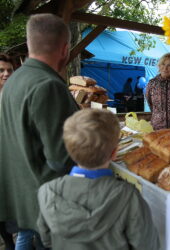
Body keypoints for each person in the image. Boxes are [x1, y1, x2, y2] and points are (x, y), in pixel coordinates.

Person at [0, 13, 79, 249]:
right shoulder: (48, 85)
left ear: (29, 43)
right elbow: (60, 159)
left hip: (19, 199)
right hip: (44, 206)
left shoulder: (14, 80)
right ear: (64, 49)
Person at [37, 109, 160, 250]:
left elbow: (46, 239)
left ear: (69, 150)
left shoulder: (47, 191)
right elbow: (147, 244)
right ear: (114, 153)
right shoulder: (128, 197)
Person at [0, 53, 15, 250]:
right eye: (1, 70)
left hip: (11, 158)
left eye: (9, 70)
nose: (5, 74)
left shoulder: (15, 94)